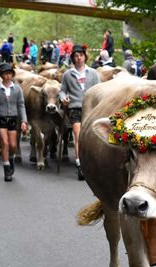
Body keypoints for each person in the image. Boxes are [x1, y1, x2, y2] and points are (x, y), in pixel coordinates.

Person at [59, 45, 100, 181]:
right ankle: (80, 164)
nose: (79, 58)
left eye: (81, 55)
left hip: (90, 107)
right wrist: (63, 98)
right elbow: (62, 90)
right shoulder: (67, 74)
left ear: (85, 57)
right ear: (73, 58)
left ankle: (91, 162)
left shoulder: (93, 73)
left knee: (91, 136)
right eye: (76, 56)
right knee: (78, 135)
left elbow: (99, 89)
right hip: (74, 107)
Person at [0, 63, 28, 182]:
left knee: (13, 145)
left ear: (12, 75)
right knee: (4, 143)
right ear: (1, 75)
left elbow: (21, 105)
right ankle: (6, 168)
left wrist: (24, 120)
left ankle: (11, 158)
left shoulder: (17, 89)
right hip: (1, 117)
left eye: (9, 73)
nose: (7, 76)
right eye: (5, 74)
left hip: (13, 118)